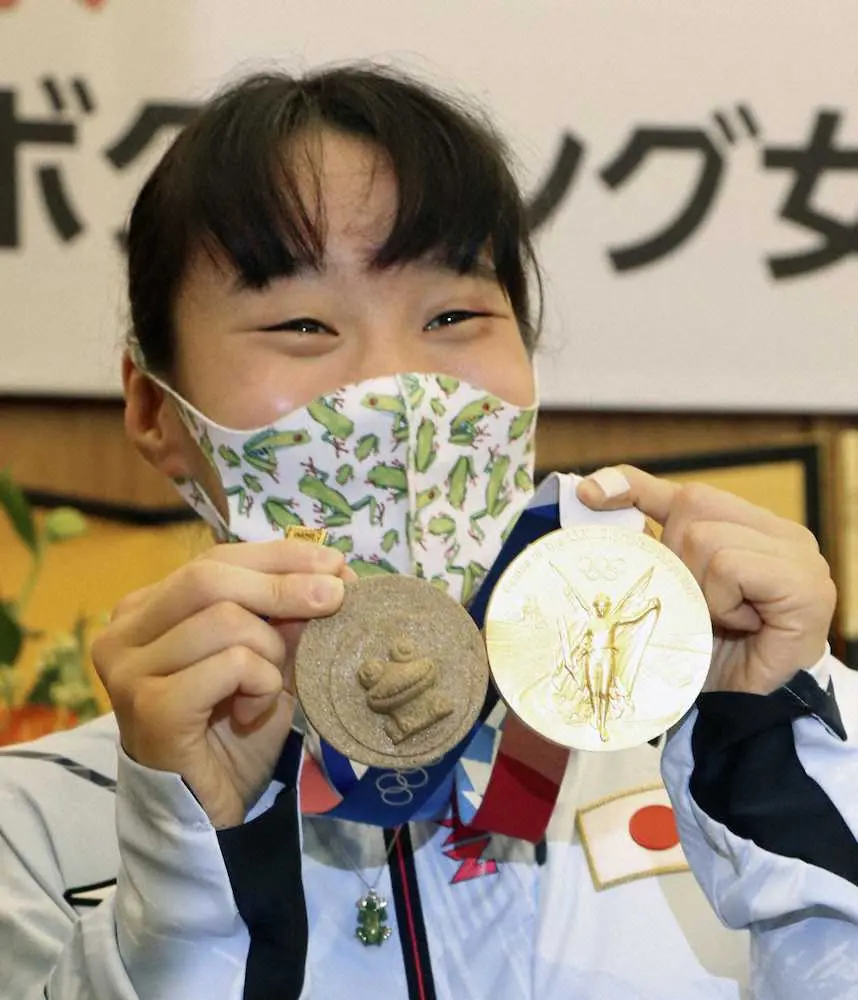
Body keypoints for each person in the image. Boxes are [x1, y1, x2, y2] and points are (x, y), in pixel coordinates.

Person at [1, 64, 857, 1000]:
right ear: (153, 408)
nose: (396, 387)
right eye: (299, 323)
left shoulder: (750, 733)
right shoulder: (35, 827)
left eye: (453, 316)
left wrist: (778, 757)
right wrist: (182, 872)